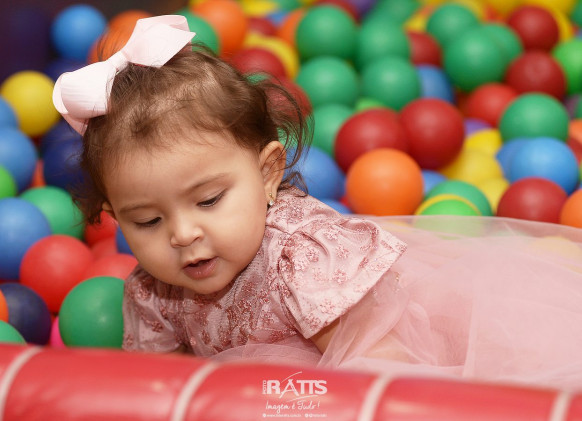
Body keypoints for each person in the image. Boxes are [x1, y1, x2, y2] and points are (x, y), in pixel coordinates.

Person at [53, 15, 582, 392]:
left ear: (267, 174)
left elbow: (387, 371)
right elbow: (164, 387)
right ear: (116, 218)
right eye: (148, 220)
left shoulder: (302, 259)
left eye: (209, 200)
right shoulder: (155, 292)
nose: (183, 233)